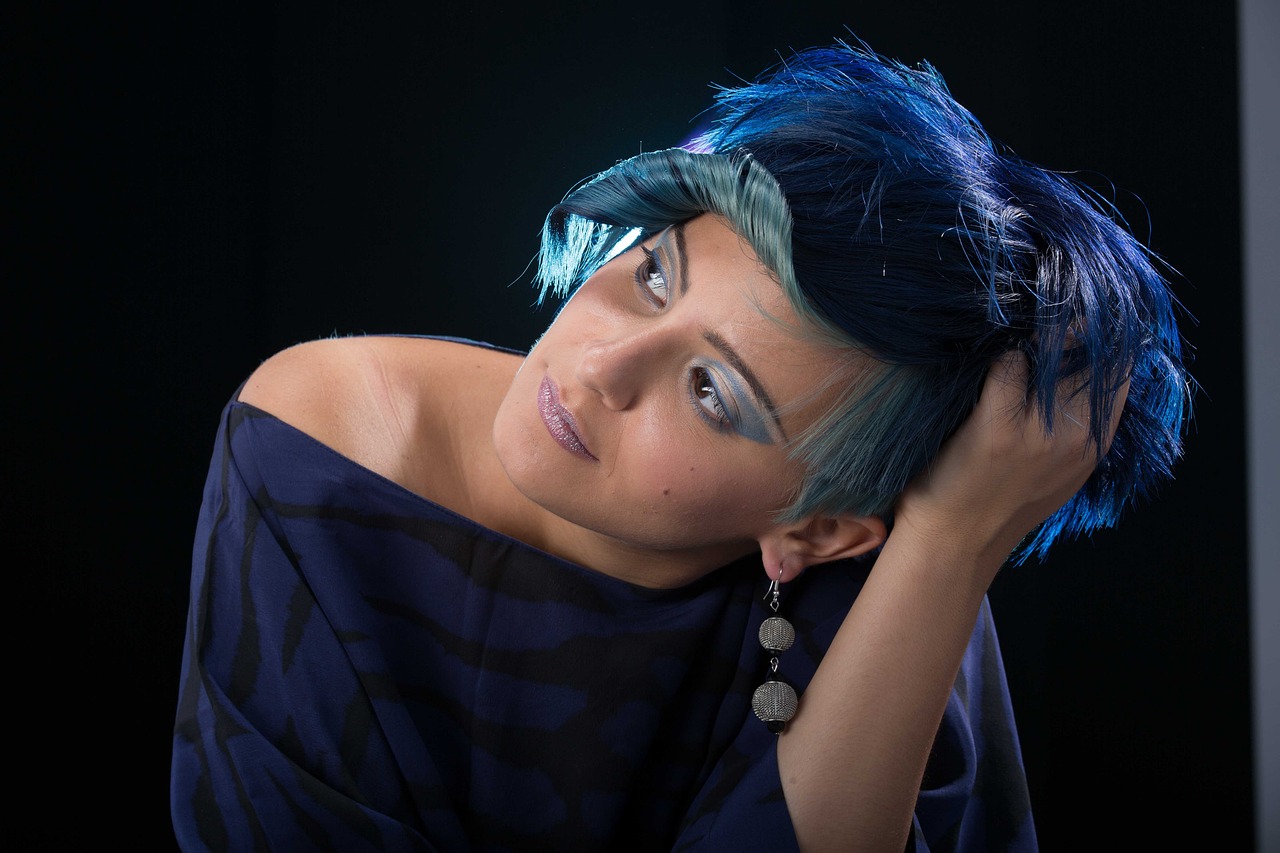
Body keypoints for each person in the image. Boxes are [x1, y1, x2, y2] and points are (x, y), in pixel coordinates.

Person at [169, 38, 1190, 852]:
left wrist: (948, 548)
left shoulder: (910, 581)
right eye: (655, 274)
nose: (601, 364)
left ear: (821, 529)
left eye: (710, 391)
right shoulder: (327, 452)